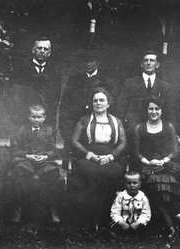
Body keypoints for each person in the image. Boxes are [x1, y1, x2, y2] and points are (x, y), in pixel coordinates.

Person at [71, 87, 126, 225]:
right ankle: (90, 218)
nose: (98, 103)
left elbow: (123, 142)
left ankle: (106, 218)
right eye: (95, 100)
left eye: (102, 100)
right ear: (91, 103)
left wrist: (111, 156)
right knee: (91, 173)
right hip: (89, 157)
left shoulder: (116, 121)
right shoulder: (84, 120)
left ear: (108, 103)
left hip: (109, 158)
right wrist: (89, 155)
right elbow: (74, 140)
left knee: (111, 173)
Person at [133, 98, 180, 237]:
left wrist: (163, 160)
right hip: (146, 164)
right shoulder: (139, 128)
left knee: (171, 183)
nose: (154, 112)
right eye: (151, 109)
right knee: (153, 183)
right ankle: (168, 225)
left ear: (162, 111)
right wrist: (147, 161)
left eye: (157, 109)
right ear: (146, 111)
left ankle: (167, 221)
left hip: (167, 163)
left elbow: (175, 150)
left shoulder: (169, 127)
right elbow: (137, 151)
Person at [59, 53, 119, 170]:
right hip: (76, 127)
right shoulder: (74, 81)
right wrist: (66, 132)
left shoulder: (108, 82)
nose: (88, 64)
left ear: (98, 62)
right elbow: (64, 108)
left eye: (92, 61)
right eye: (85, 61)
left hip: (99, 130)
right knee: (76, 166)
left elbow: (114, 107)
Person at [9, 104, 62, 223]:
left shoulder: (49, 131)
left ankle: (52, 207)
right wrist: (27, 156)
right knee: (19, 173)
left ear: (44, 118)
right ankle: (20, 207)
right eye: (33, 117)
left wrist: (46, 156)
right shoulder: (21, 130)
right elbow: (14, 149)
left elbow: (54, 150)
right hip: (26, 160)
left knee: (53, 173)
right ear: (29, 117)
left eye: (39, 117)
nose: (36, 120)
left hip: (44, 161)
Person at [117, 50, 176, 135]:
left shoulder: (165, 86)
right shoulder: (130, 83)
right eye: (146, 60)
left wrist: (172, 132)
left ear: (157, 65)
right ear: (142, 64)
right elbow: (121, 109)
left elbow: (170, 112)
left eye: (152, 60)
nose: (148, 63)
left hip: (157, 131)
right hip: (133, 130)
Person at [9, 37, 62, 127]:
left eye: (45, 49)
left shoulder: (55, 73)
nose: (42, 51)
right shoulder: (20, 70)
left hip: (46, 119)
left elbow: (55, 98)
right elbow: (15, 96)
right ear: (33, 50)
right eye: (39, 48)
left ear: (49, 53)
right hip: (24, 118)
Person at [108, 171, 151, 239]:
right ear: (124, 184)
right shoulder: (121, 196)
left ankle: (134, 236)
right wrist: (121, 222)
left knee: (142, 228)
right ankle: (114, 235)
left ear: (140, 184)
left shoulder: (143, 198)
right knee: (116, 227)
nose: (132, 185)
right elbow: (115, 211)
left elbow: (146, 214)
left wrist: (138, 222)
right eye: (129, 183)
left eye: (135, 183)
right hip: (123, 224)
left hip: (136, 224)